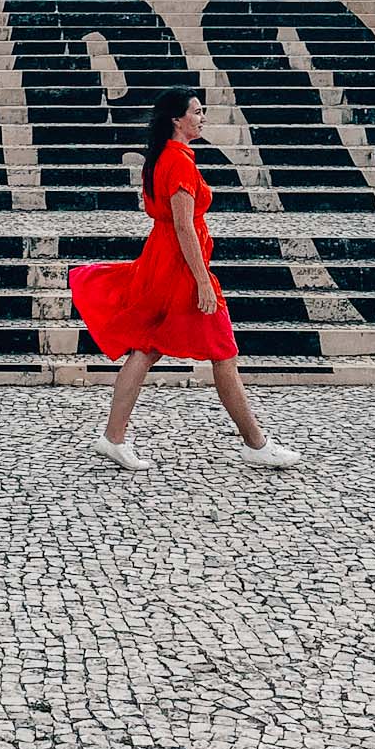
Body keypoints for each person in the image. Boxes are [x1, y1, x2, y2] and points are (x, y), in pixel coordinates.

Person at [68, 87, 300, 472]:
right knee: (223, 353)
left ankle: (113, 438)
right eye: (196, 111)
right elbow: (182, 226)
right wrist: (203, 281)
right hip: (179, 270)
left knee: (145, 349)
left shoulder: (163, 158)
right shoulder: (178, 162)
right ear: (178, 120)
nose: (202, 116)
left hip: (161, 261)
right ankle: (257, 445)